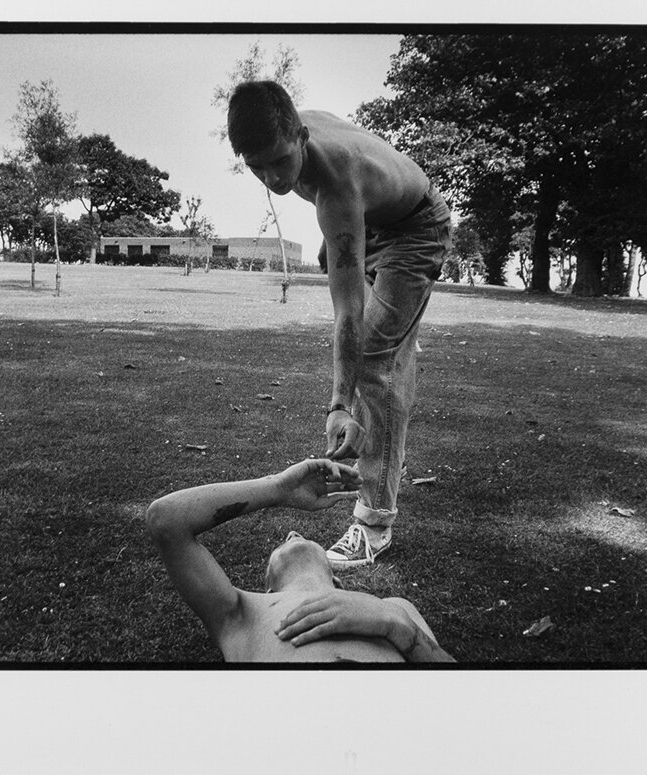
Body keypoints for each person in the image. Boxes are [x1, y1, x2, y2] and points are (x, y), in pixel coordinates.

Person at [227, 80, 452, 567]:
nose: (272, 179)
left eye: (280, 162)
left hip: (415, 228)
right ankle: (389, 437)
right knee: (387, 360)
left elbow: (347, 313)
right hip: (376, 221)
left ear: (302, 136)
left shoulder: (336, 182)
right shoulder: (287, 122)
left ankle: (374, 524)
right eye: (255, 166)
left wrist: (338, 406)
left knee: (373, 357)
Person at [146, 458, 455, 663]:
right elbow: (166, 519)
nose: (292, 532)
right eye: (285, 540)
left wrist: (400, 628)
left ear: (338, 581)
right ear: (269, 591)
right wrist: (278, 487)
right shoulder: (240, 614)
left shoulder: (397, 608)